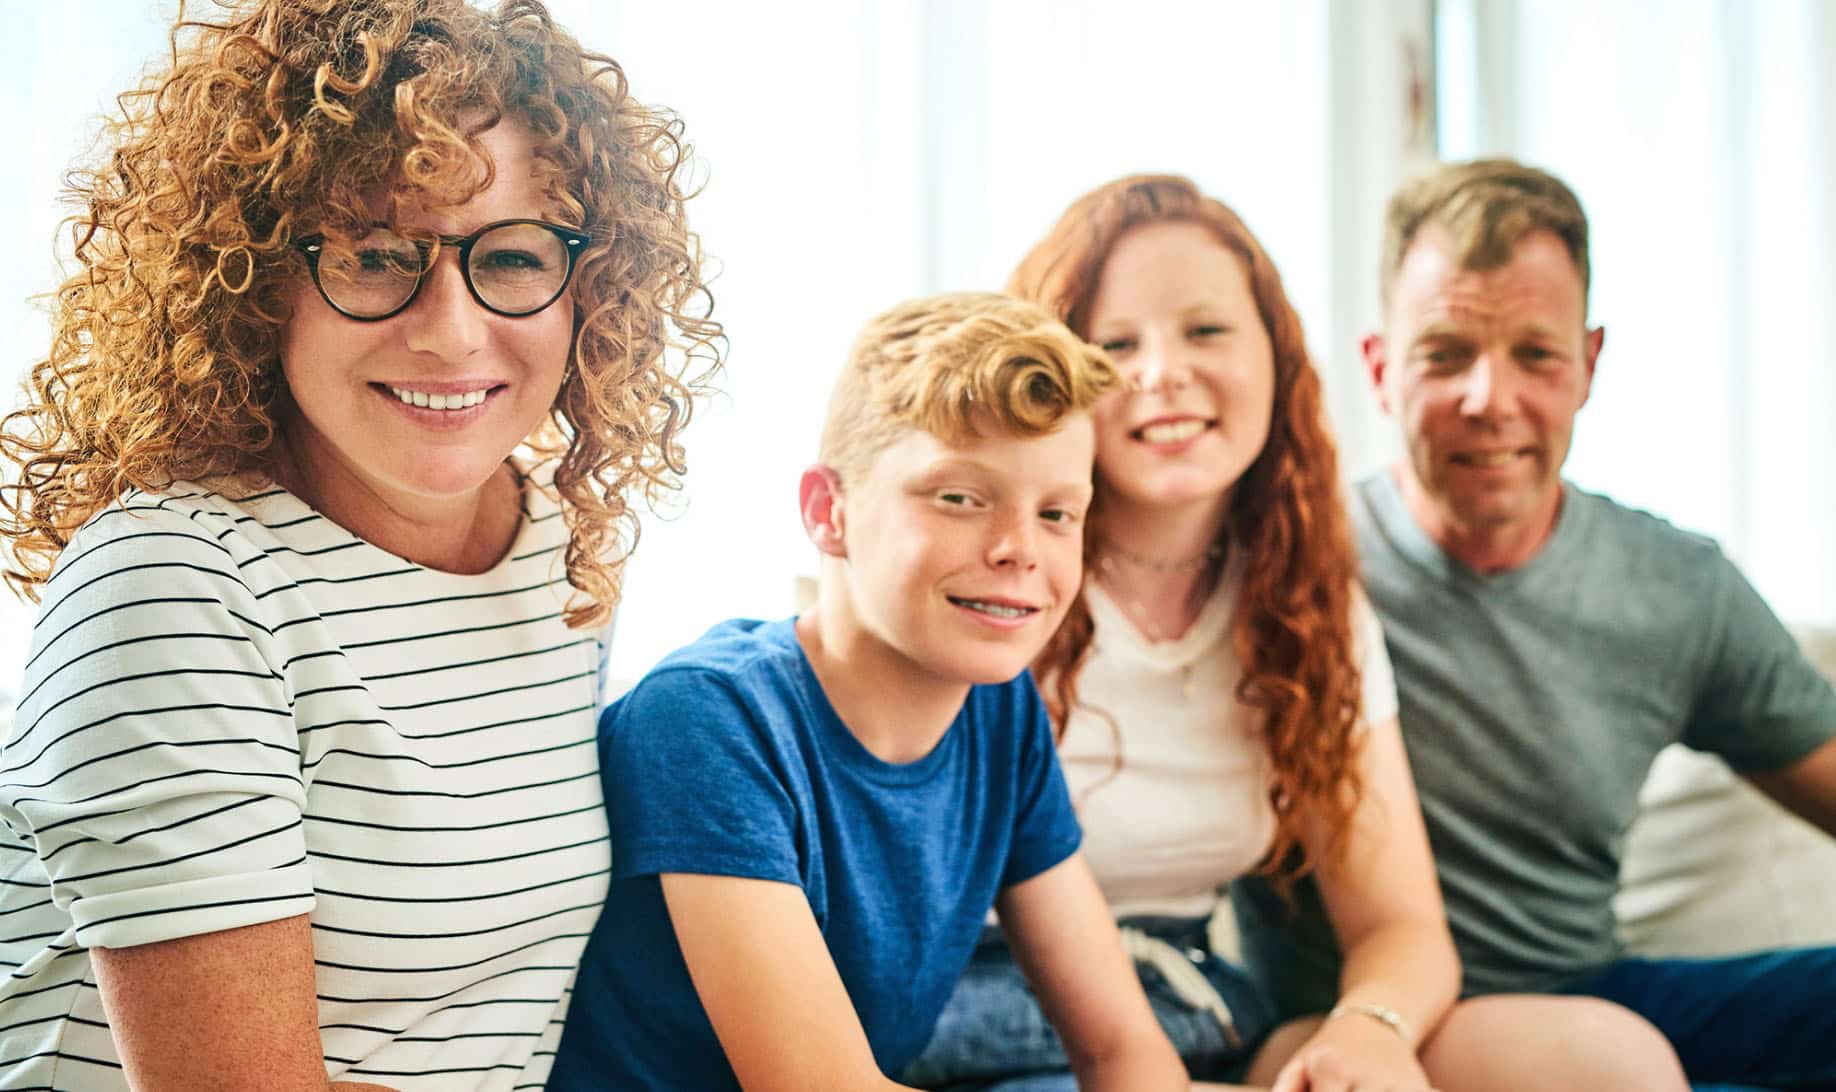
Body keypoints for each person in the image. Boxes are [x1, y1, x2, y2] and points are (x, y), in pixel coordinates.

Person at [0, 2, 720, 1088]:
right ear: (248, 280)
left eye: (515, 256)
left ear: (593, 283)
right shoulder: (170, 584)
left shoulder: (553, 547)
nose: (450, 329)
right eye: (376, 254)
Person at [904, 175, 1687, 1092]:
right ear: (1049, 380)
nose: (1162, 372)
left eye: (1206, 331)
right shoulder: (994, 582)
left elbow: (1401, 929)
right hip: (981, 1024)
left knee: (1610, 1061)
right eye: (1114, 343)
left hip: (1195, 1005)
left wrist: (1370, 1031)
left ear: (1277, 357)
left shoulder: (1303, 601)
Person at [1232, 157, 1836, 1089]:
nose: (1491, 399)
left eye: (1535, 354)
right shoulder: (1290, 570)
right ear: (1381, 370)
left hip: (1587, 999)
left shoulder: (1676, 586)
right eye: (1445, 354)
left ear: (1589, 365)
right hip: (1360, 1026)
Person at [548, 292, 1188, 1091]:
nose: (1020, 549)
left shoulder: (1000, 711)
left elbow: (1120, 1050)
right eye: (959, 498)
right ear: (829, 512)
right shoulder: (709, 719)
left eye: (1058, 513)